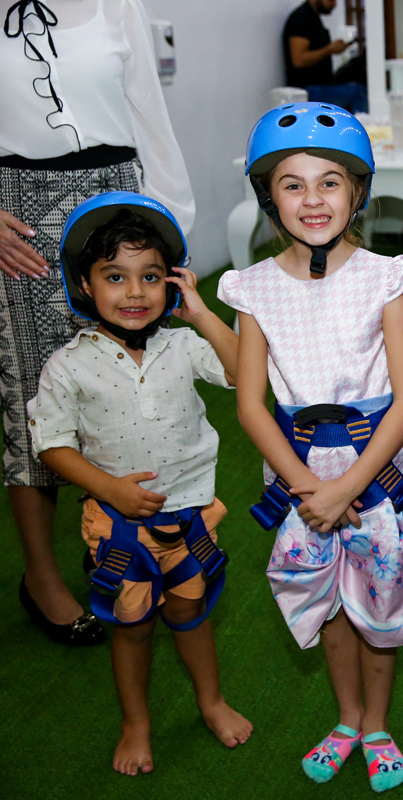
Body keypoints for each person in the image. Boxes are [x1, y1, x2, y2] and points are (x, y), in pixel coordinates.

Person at [218, 103, 403, 792]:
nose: (313, 199)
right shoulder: (253, 288)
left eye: (329, 182)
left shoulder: (386, 276)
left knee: (378, 602)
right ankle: (348, 718)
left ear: (357, 190)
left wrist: (348, 488)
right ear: (269, 196)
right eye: (292, 185)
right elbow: (250, 404)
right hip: (300, 481)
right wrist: (310, 491)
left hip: (375, 475)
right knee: (328, 604)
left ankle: (377, 724)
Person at [28, 192, 248, 775]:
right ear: (84, 285)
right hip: (119, 525)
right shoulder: (68, 364)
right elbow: (51, 444)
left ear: (170, 283)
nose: (134, 292)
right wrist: (109, 488)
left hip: (189, 516)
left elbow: (242, 372)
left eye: (150, 276)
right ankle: (136, 723)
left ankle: (211, 702)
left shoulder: (183, 344)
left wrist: (200, 314)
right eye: (115, 277)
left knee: (190, 612)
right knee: (133, 626)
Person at [1, 0, 193, 648]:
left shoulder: (116, 4)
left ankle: (113, 536)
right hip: (20, 227)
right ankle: (41, 577)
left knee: (125, 388)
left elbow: (150, 116)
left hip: (119, 209)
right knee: (32, 403)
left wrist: (172, 229)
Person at [283, 0, 364, 112]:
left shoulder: (313, 18)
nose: (334, 4)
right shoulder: (301, 18)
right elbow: (299, 60)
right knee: (357, 92)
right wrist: (329, 49)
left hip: (319, 86)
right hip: (307, 90)